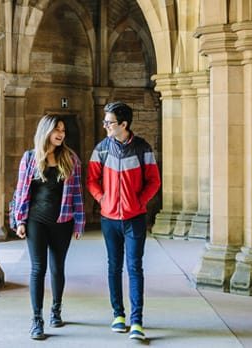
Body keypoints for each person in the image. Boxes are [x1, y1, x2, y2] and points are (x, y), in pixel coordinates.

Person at [87, 101, 161, 341]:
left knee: (134, 267)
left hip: (135, 219)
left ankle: (137, 320)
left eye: (109, 122)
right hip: (109, 219)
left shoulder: (142, 148)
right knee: (113, 266)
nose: (105, 125)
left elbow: (154, 181)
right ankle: (118, 315)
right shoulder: (101, 149)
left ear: (124, 124)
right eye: (105, 121)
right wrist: (103, 199)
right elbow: (92, 180)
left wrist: (139, 202)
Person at [11, 114, 85, 340]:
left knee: (57, 268)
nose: (61, 134)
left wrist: (79, 222)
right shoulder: (30, 158)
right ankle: (37, 320)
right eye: (57, 130)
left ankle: (56, 310)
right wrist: (20, 220)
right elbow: (22, 191)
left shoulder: (71, 158)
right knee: (37, 269)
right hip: (36, 221)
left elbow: (77, 194)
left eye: (63, 130)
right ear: (46, 131)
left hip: (63, 221)